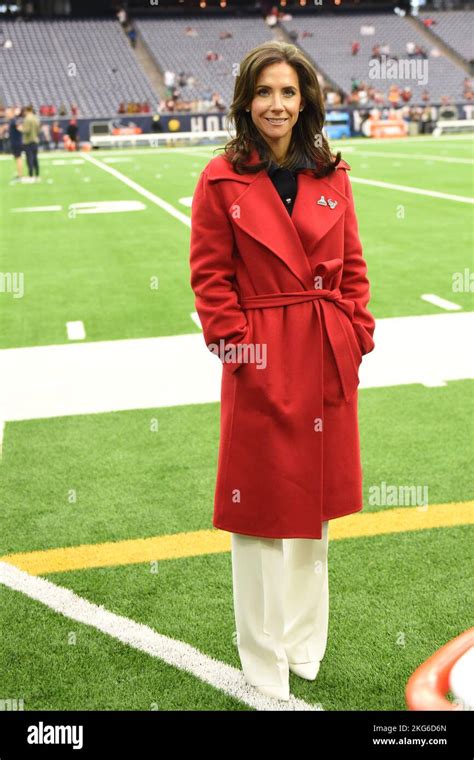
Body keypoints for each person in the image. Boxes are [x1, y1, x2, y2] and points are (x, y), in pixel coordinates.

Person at [189, 41, 376, 702]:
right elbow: (211, 284)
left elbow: (353, 270)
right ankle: (260, 651)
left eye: (288, 93)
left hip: (323, 353)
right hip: (261, 357)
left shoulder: (334, 174)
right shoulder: (220, 177)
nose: (276, 104)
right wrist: (241, 352)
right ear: (246, 101)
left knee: (313, 517)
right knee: (259, 517)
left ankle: (303, 643)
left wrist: (356, 332)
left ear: (306, 101)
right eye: (264, 92)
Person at [22, 104, 40, 180]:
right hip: (35, 140)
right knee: (35, 158)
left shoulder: (27, 119)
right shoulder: (36, 118)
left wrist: (20, 129)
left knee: (29, 158)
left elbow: (27, 130)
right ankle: (37, 174)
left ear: (27, 110)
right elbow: (38, 129)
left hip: (28, 141)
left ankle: (30, 174)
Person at [5, 106, 23, 182]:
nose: (6, 114)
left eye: (8, 113)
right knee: (16, 158)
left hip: (17, 143)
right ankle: (19, 174)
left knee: (18, 158)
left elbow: (21, 128)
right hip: (14, 142)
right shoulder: (11, 121)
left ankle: (20, 175)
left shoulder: (14, 120)